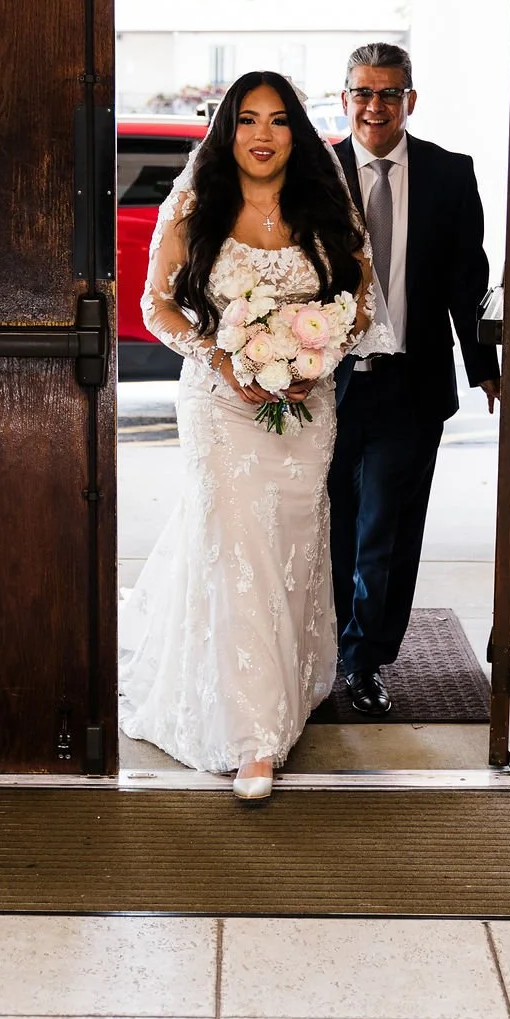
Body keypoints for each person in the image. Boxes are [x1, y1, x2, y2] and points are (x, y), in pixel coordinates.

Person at [118, 71, 393, 800]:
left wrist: (318, 355)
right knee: (233, 541)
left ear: (296, 130)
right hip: (219, 402)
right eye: (247, 119)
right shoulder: (197, 203)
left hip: (307, 405)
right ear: (227, 130)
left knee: (291, 543)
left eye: (276, 120)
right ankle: (252, 741)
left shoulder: (325, 203)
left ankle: (291, 685)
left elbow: (360, 302)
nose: (262, 134)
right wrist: (220, 355)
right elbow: (156, 307)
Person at [329, 42, 500, 716]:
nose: (375, 106)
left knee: (389, 532)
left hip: (411, 384)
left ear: (410, 100)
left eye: (389, 94)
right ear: (345, 97)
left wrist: (485, 368)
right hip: (321, 385)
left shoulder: (449, 174)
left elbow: (468, 278)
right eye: (363, 93)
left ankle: (367, 660)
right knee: (331, 528)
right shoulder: (315, 173)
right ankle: (325, 649)